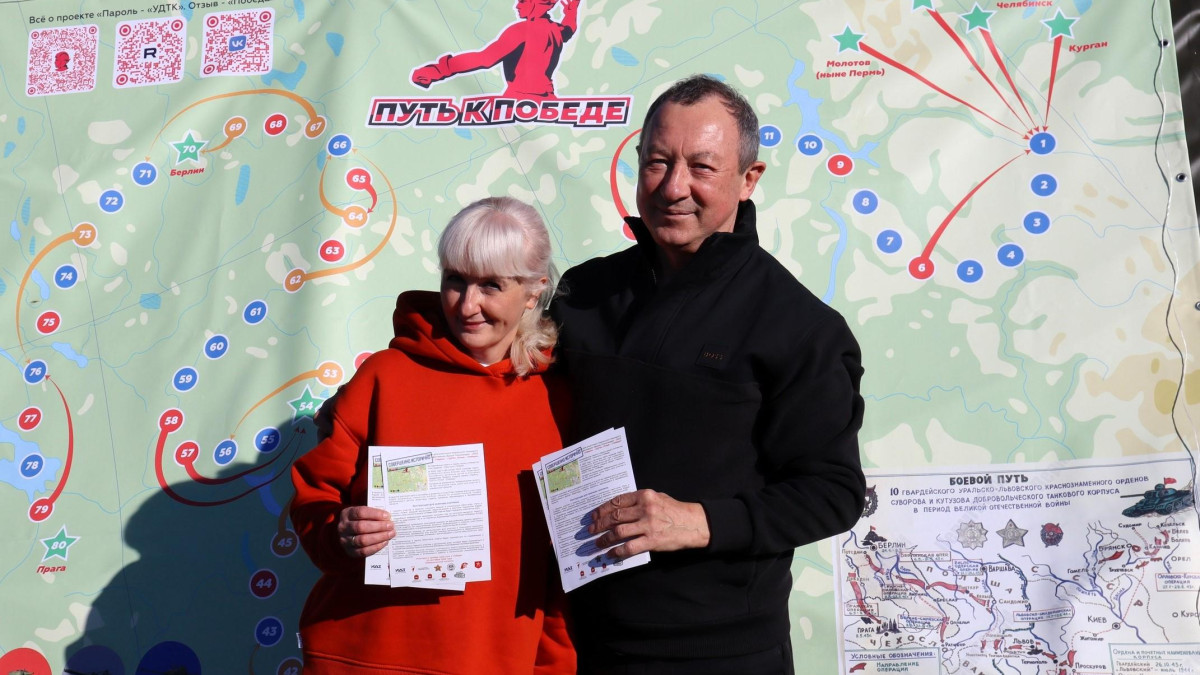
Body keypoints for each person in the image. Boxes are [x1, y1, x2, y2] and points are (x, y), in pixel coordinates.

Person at [551, 75, 866, 674]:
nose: (674, 187)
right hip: (571, 641)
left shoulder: (799, 326)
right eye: (657, 162)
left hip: (722, 651)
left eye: (701, 167)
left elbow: (833, 493)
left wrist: (698, 522)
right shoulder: (582, 293)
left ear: (749, 179)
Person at [290, 197, 576, 674]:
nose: (467, 305)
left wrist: (552, 666)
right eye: (455, 280)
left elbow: (565, 565)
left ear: (533, 291)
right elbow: (313, 500)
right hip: (362, 657)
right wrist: (340, 532)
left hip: (493, 662)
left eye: (491, 285)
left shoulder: (561, 400)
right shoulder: (384, 376)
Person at [411, 0, 580, 100]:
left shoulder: (522, 30)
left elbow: (485, 59)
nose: (517, 6)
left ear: (536, 3)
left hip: (519, 99)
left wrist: (438, 70)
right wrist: (571, 13)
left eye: (523, 1)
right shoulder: (555, 30)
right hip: (548, 99)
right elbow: (568, 30)